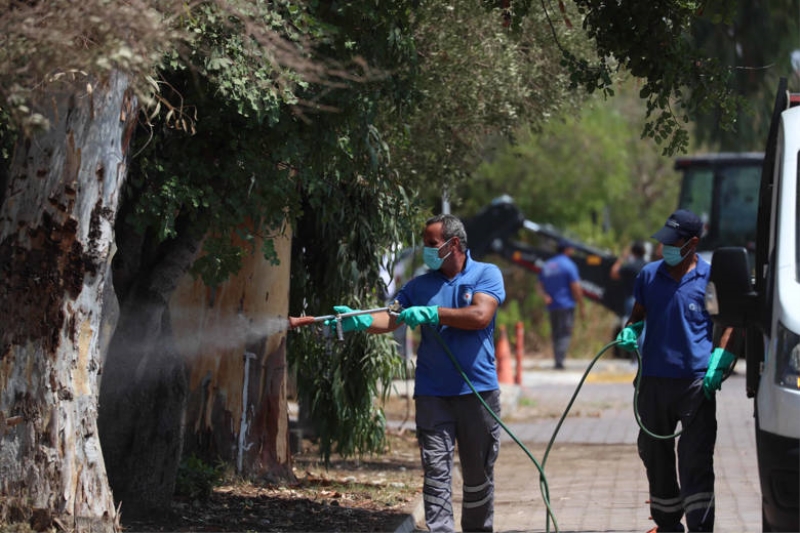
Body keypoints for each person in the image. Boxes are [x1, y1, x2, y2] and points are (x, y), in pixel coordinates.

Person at [316, 214, 506, 533]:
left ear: (453, 244)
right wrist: (359, 321)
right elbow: (391, 319)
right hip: (433, 394)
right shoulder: (418, 286)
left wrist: (434, 313)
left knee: (477, 477)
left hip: (478, 393)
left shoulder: (487, 274)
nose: (426, 250)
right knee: (436, 473)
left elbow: (480, 315)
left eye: (432, 244)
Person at [615, 209, 736, 533]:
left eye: (672, 243)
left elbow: (728, 323)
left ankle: (700, 527)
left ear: (692, 243)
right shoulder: (649, 276)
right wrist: (630, 331)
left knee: (695, 459)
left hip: (695, 385)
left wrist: (720, 359)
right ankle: (668, 525)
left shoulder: (710, 280)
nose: (663, 249)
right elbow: (637, 315)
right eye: (663, 242)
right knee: (655, 455)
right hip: (653, 382)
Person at [536, 239, 585, 369]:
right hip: (566, 305)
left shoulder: (547, 265)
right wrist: (582, 305)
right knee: (565, 333)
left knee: (556, 332)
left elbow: (539, 286)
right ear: (567, 250)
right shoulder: (569, 265)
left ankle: (557, 359)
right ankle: (560, 361)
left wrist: (545, 296)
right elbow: (575, 286)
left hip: (552, 306)